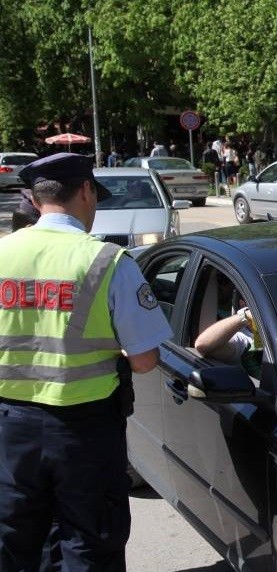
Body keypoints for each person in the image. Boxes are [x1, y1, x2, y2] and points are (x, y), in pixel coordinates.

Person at [0, 152, 173, 570]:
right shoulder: (107, 261)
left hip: (10, 428)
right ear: (85, 192)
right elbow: (146, 360)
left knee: (16, 539)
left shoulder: (4, 253)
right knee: (90, 543)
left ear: (37, 199)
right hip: (85, 430)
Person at [194, 278, 263, 378]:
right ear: (243, 305)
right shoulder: (243, 339)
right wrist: (246, 316)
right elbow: (201, 345)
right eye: (259, 303)